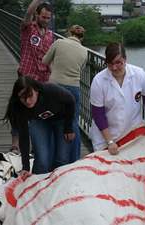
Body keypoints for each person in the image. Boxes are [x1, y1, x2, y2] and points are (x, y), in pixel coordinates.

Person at [89, 42, 145, 154]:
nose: (114, 67)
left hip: (132, 133)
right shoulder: (99, 81)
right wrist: (110, 141)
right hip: (105, 136)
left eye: (118, 63)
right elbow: (98, 114)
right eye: (110, 64)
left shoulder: (139, 74)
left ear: (125, 59)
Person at [3, 76, 76, 174]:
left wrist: (68, 128)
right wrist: (26, 167)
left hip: (61, 119)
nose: (27, 101)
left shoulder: (50, 90)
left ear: (36, 91)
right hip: (40, 121)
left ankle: (58, 184)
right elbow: (24, 136)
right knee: (42, 160)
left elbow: (71, 100)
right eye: (23, 98)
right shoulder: (19, 107)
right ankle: (38, 184)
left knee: (62, 159)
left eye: (30, 96)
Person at [11, 0, 55, 152]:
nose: (45, 20)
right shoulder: (28, 28)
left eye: (48, 18)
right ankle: (15, 144)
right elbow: (28, 14)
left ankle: (36, 145)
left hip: (43, 78)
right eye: (43, 17)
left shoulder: (50, 35)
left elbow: (51, 57)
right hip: (27, 75)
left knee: (38, 113)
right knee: (19, 109)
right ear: (37, 15)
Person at [42, 25, 87, 163]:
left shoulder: (59, 43)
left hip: (54, 86)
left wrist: (55, 69)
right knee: (72, 123)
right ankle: (73, 159)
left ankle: (51, 155)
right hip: (73, 88)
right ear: (82, 38)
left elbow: (44, 61)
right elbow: (80, 70)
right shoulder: (84, 51)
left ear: (69, 33)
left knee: (51, 119)